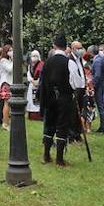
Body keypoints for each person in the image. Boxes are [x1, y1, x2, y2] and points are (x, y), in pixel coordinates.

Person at [39, 36, 77, 166]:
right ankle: (59, 159)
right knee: (62, 125)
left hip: (49, 97)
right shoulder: (69, 62)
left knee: (49, 124)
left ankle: (46, 155)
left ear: (54, 45)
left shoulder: (47, 62)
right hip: (64, 97)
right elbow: (76, 82)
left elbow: (42, 82)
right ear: (65, 47)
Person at [0, 46, 13, 131]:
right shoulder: (3, 61)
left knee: (9, 104)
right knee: (6, 103)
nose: (11, 52)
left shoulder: (9, 61)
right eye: (10, 50)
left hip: (10, 83)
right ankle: (5, 123)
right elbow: (10, 69)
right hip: (6, 83)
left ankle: (7, 121)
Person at [25, 49, 42, 119]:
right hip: (32, 84)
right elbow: (28, 75)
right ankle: (32, 114)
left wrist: (38, 81)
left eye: (35, 56)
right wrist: (32, 81)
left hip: (39, 84)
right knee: (31, 100)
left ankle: (39, 115)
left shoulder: (41, 64)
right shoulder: (30, 66)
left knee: (38, 100)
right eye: (33, 56)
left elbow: (42, 74)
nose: (34, 57)